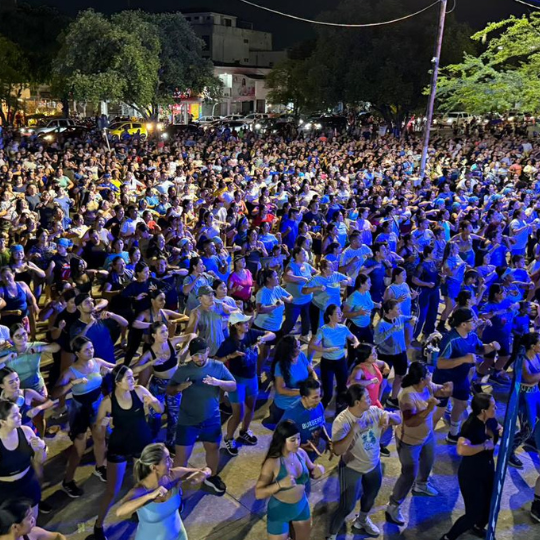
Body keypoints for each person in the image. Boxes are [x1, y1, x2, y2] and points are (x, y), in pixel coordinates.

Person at [92, 365, 163, 540]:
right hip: (120, 446)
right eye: (129, 378)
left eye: (133, 376)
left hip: (142, 444)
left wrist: (153, 402)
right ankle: (98, 525)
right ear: (118, 382)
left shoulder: (139, 391)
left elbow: (160, 410)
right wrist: (101, 424)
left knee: (143, 484)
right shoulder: (108, 402)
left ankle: (139, 511)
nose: (133, 380)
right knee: (112, 490)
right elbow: (98, 433)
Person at [327, 384, 401, 539]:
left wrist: (388, 417)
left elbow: (398, 418)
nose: (370, 399)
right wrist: (353, 430)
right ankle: (332, 534)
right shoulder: (342, 421)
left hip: (373, 464)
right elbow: (338, 450)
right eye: (366, 398)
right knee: (347, 506)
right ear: (357, 403)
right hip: (352, 467)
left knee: (370, 496)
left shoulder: (373, 411)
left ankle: (362, 520)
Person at [166, 337, 236, 494]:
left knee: (213, 448)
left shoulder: (218, 366)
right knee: (181, 457)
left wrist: (219, 382)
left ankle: (212, 476)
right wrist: (179, 387)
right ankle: (173, 489)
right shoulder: (184, 370)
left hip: (212, 418)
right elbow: (169, 390)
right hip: (187, 420)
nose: (199, 358)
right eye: (195, 355)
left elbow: (233, 385)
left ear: (208, 351)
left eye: (202, 354)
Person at [386, 363, 453, 526]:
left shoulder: (427, 385)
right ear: (421, 379)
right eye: (428, 373)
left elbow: (442, 391)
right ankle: (393, 505)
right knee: (408, 474)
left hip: (427, 436)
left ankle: (421, 485)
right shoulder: (407, 396)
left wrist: (449, 386)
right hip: (409, 441)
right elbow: (411, 422)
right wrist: (430, 408)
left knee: (428, 461)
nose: (430, 375)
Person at [52, 336, 115, 496]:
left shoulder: (98, 362)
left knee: (100, 438)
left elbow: (120, 369)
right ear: (77, 353)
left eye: (91, 348)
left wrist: (110, 371)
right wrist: (72, 384)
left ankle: (100, 467)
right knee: (79, 448)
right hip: (79, 410)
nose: (91, 351)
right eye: (86, 350)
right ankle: (68, 481)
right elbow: (54, 393)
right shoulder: (70, 372)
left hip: (97, 405)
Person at [115, 443, 211, 540]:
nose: (172, 462)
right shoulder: (140, 490)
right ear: (154, 467)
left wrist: (204, 473)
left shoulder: (173, 475)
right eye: (167, 459)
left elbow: (204, 470)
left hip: (179, 536)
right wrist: (150, 496)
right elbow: (119, 512)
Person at [432, 308, 500, 443]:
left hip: (461, 378)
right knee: (438, 411)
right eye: (472, 320)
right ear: (463, 324)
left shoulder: (472, 335)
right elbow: (440, 363)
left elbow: (479, 349)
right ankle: (424, 438)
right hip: (444, 380)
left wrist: (491, 346)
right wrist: (463, 359)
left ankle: (453, 433)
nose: (475, 322)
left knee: (462, 404)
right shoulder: (450, 339)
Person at [439, 393, 501, 540]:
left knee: (491, 505)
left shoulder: (490, 420)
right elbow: (461, 449)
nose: (496, 408)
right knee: (474, 513)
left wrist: (503, 432)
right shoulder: (471, 426)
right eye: (493, 406)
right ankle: (448, 537)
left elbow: (499, 428)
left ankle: (478, 527)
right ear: (483, 410)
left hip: (487, 470)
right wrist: (483, 446)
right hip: (471, 475)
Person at [215, 312, 275, 456]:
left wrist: (262, 339)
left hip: (252, 378)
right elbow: (216, 361)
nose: (248, 324)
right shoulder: (229, 343)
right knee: (238, 414)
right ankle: (229, 438)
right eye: (244, 323)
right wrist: (230, 356)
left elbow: (272, 335)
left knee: (251, 407)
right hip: (237, 381)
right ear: (236, 326)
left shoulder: (251, 334)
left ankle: (244, 431)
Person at [255, 420, 324, 540]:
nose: (297, 443)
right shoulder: (272, 462)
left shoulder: (301, 453)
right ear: (282, 441)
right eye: (292, 440)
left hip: (301, 507)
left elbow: (313, 470)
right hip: (279, 512)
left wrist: (320, 469)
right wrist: (279, 484)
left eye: (298, 438)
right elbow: (258, 493)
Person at [132, 322, 195, 448]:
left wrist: (184, 348)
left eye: (166, 330)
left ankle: (171, 441)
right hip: (158, 386)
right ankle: (151, 441)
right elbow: (134, 370)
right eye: (162, 332)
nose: (166, 333)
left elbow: (192, 335)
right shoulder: (149, 353)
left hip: (174, 384)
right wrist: (150, 363)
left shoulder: (172, 342)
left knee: (175, 415)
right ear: (154, 335)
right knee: (154, 415)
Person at [309, 304, 360, 411]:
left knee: (342, 388)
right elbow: (312, 345)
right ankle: (318, 411)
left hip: (341, 361)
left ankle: (339, 410)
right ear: (330, 316)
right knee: (328, 393)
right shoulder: (323, 330)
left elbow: (353, 337)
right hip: (327, 363)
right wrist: (325, 350)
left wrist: (356, 342)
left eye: (340, 313)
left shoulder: (343, 328)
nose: (340, 315)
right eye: (337, 313)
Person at [0, 401, 47, 517]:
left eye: (19, 412)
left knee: (32, 521)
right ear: (2, 422)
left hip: (28, 483)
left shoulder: (26, 431)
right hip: (5, 490)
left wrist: (40, 449)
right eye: (14, 415)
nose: (20, 416)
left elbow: (39, 460)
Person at [374, 300, 415, 409]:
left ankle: (393, 399)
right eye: (397, 309)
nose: (400, 311)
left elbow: (412, 317)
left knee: (400, 376)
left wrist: (414, 320)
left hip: (400, 353)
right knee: (382, 380)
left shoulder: (400, 318)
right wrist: (391, 330)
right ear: (389, 311)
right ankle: (376, 403)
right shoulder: (381, 324)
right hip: (385, 355)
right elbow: (377, 340)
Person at [509, 332, 540, 470]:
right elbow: (529, 378)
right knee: (527, 428)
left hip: (535, 392)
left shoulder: (537, 355)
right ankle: (510, 451)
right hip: (524, 396)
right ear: (533, 346)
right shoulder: (522, 360)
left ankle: (532, 440)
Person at [252, 269, 293, 375]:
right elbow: (260, 309)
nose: (278, 277)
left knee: (276, 351)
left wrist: (287, 300)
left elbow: (290, 296)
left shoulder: (278, 288)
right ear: (268, 279)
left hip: (276, 327)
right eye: (275, 276)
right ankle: (257, 375)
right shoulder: (262, 292)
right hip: (263, 328)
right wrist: (275, 306)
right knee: (264, 354)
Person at [269, 336, 318, 424]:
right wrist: (303, 392)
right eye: (297, 347)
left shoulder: (301, 355)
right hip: (286, 406)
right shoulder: (280, 366)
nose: (300, 348)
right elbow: (281, 390)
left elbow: (311, 371)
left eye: (299, 346)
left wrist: (316, 381)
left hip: (300, 402)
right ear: (289, 351)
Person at [281, 378, 328, 461]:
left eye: (319, 396)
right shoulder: (292, 413)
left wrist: (327, 439)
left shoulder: (319, 405)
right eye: (315, 397)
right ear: (304, 397)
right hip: (296, 457)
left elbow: (322, 425)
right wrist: (299, 447)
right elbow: (279, 438)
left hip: (312, 453)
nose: (318, 400)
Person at [0, 498, 67, 540]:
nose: (33, 520)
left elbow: (58, 536)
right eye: (29, 518)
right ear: (15, 527)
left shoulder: (32, 533)